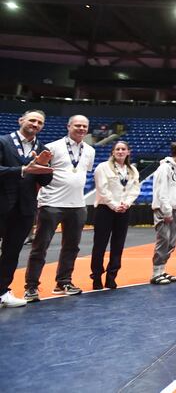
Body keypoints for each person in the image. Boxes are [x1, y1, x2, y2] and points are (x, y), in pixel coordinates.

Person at [24, 114, 95, 301]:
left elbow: (82, 172)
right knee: (40, 247)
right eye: (77, 125)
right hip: (52, 204)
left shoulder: (89, 150)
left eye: (84, 126)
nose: (81, 129)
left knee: (72, 247)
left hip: (78, 205)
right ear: (68, 126)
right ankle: (31, 286)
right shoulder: (52, 147)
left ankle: (63, 281)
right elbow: (40, 174)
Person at [0, 110, 52, 308]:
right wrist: (23, 170)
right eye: (32, 120)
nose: (35, 124)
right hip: (2, 204)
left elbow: (46, 180)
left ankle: (2, 291)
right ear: (21, 120)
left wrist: (43, 165)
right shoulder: (3, 142)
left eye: (40, 122)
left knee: (11, 252)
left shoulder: (42, 148)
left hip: (25, 209)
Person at [91, 140, 140, 290]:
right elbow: (102, 188)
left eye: (123, 149)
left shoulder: (132, 170)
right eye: (117, 149)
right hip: (105, 209)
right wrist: (114, 205)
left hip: (123, 210)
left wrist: (127, 203)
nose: (120, 151)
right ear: (112, 152)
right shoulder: (103, 167)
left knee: (118, 245)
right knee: (100, 245)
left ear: (128, 152)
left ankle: (112, 276)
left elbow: (134, 189)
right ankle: (97, 277)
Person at [150, 141, 176, 285]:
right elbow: (162, 191)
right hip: (163, 209)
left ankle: (162, 270)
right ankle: (156, 273)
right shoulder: (164, 168)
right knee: (163, 240)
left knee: (171, 243)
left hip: (175, 209)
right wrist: (166, 211)